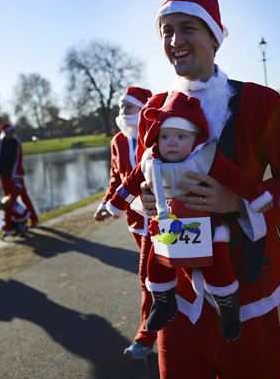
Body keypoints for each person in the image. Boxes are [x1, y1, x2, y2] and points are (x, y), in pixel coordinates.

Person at [137, 0, 280, 377]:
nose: (174, 41)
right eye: (166, 31)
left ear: (215, 38)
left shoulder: (261, 103)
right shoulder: (153, 111)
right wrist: (148, 199)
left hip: (249, 291)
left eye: (188, 28)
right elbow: (145, 178)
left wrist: (238, 202)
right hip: (179, 299)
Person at [105, 90, 273, 342]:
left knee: (219, 268)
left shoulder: (206, 159)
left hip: (206, 226)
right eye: (165, 136)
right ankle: (163, 301)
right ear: (156, 138)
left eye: (181, 136)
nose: (172, 142)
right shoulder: (150, 163)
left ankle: (227, 307)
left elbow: (238, 179)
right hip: (168, 227)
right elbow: (129, 183)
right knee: (156, 265)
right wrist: (116, 205)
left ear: (195, 138)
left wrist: (257, 196)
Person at [93, 86, 158, 359]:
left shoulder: (156, 131)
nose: (122, 113)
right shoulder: (117, 141)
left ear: (142, 108)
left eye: (128, 107)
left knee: (148, 278)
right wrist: (105, 204)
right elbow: (115, 179)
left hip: (161, 218)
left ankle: (147, 336)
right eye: (120, 108)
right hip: (134, 221)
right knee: (157, 277)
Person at [0, 123, 38, 228]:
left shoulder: (16, 143)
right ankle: (13, 221)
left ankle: (33, 218)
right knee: (9, 200)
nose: (12, 134)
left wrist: (15, 176)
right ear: (5, 133)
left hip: (16, 176)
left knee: (24, 196)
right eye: (10, 132)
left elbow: (18, 160)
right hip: (3, 176)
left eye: (13, 131)